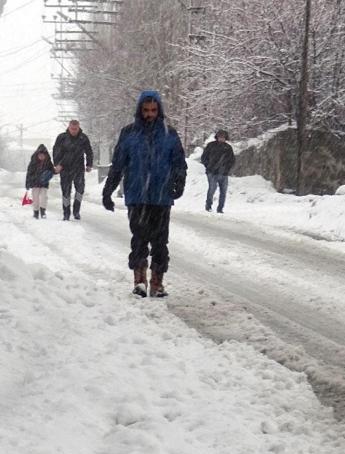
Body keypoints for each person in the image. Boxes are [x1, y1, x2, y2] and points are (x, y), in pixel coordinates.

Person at [101, 90, 187, 298]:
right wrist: (108, 190)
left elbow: (179, 162)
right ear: (140, 110)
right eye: (146, 110)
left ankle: (157, 282)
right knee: (139, 239)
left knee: (160, 241)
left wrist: (179, 182)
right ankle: (139, 281)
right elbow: (118, 164)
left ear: (159, 110)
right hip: (137, 195)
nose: (150, 114)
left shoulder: (170, 134)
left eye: (154, 110)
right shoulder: (129, 133)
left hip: (161, 195)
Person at [52, 119, 93, 220]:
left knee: (80, 190)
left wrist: (89, 164)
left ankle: (76, 211)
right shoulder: (62, 138)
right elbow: (56, 151)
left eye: (76, 129)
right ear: (69, 127)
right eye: (72, 129)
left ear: (78, 127)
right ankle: (66, 213)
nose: (74, 131)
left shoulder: (83, 138)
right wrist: (57, 164)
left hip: (78, 168)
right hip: (64, 168)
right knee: (66, 192)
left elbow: (89, 151)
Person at [201, 129, 235, 213]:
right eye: (220, 137)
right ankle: (208, 206)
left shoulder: (228, 148)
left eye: (223, 137)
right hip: (212, 172)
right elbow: (204, 157)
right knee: (212, 189)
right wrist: (208, 166)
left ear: (225, 138)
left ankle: (220, 208)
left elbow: (232, 160)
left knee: (223, 192)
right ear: (217, 137)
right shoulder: (211, 146)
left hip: (223, 173)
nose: (221, 138)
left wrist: (227, 169)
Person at [25, 144, 56, 219]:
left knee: (44, 198)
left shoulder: (48, 163)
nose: (41, 156)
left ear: (46, 155)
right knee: (35, 198)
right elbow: (29, 173)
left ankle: (43, 211)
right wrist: (28, 183)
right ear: (37, 155)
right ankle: (36, 212)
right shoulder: (33, 163)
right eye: (40, 155)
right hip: (35, 183)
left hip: (44, 183)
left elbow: (52, 171)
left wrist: (54, 171)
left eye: (43, 155)